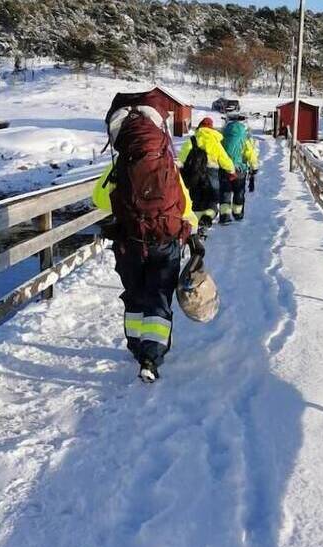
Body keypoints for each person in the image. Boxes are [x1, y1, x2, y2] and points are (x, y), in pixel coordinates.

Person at [93, 101, 200, 383]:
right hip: (166, 240)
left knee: (135, 294)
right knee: (159, 297)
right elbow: (184, 203)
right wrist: (193, 234)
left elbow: (99, 199)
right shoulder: (166, 161)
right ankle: (151, 357)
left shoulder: (120, 164)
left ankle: (135, 345)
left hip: (130, 242)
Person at [178, 117, 236, 229]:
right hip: (211, 172)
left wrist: (179, 171)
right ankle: (207, 217)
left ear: (200, 127)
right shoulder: (215, 142)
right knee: (212, 198)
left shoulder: (192, 140)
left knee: (196, 199)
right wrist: (231, 171)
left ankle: (196, 223)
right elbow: (224, 159)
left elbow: (181, 158)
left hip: (194, 174)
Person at [219, 117, 259, 223]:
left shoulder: (223, 135)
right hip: (240, 169)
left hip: (225, 168)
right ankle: (238, 214)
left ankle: (225, 216)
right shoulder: (244, 137)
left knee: (225, 192)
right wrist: (254, 167)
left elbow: (218, 150)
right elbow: (250, 153)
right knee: (239, 192)